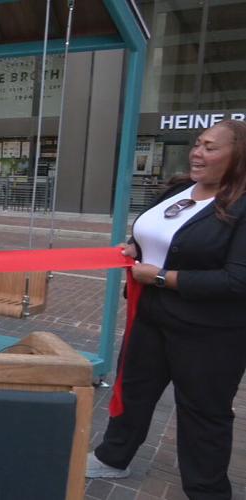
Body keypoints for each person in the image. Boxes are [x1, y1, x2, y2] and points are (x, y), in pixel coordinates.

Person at [87, 120, 246, 500]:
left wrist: (161, 277)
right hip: (150, 317)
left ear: (237, 156)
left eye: (210, 147)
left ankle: (206, 490)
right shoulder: (178, 190)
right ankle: (114, 455)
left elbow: (237, 280)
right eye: (197, 144)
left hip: (210, 333)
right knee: (135, 390)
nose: (197, 152)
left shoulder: (240, 205)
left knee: (203, 413)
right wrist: (133, 247)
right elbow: (155, 234)